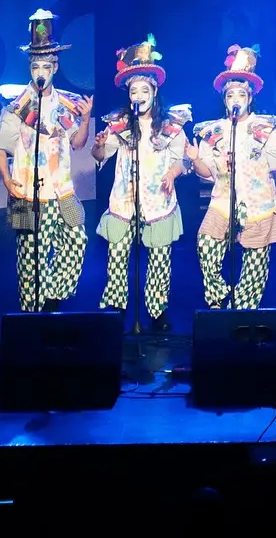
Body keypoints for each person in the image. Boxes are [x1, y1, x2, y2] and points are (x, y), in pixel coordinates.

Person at [0, 8, 94, 312]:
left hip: (61, 189)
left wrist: (86, 119)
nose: (41, 71)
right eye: (36, 65)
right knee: (30, 256)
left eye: (46, 65)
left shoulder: (66, 103)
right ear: (30, 67)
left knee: (76, 242)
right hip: (26, 191)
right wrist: (7, 178)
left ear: (55, 67)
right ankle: (30, 314)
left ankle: (53, 298)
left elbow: (77, 143)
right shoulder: (17, 106)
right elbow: (1, 148)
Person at [92, 36, 192, 331]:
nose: (138, 95)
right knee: (117, 257)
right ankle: (116, 309)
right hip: (124, 199)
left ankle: (157, 312)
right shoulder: (119, 123)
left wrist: (172, 173)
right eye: (133, 90)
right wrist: (98, 146)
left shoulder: (172, 123)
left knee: (160, 259)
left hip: (159, 200)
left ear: (154, 90)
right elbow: (101, 155)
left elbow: (181, 160)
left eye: (144, 90)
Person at [191, 45, 276, 310]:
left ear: (250, 98)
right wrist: (195, 158)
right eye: (230, 95)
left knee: (255, 263)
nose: (236, 99)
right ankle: (217, 299)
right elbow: (206, 173)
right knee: (206, 245)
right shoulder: (214, 130)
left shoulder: (264, 128)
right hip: (223, 200)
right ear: (225, 99)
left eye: (241, 94)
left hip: (258, 202)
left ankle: (241, 311)